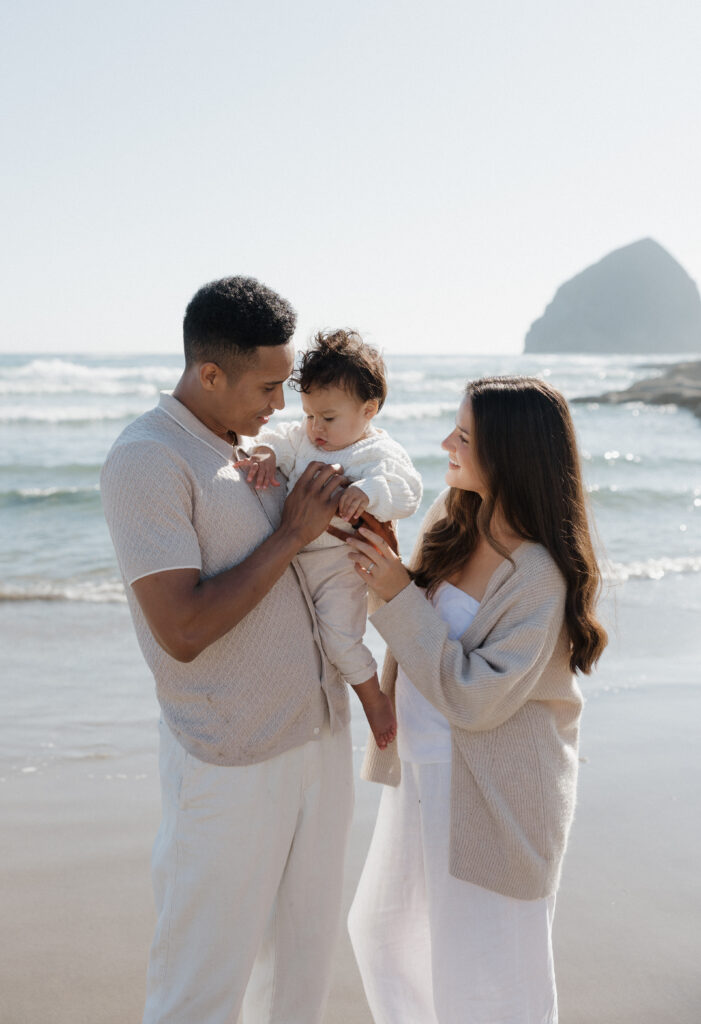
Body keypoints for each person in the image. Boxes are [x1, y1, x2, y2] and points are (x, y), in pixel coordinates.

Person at [100, 276, 355, 1024]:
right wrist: (290, 533)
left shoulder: (252, 447)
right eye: (268, 387)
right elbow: (179, 631)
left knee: (301, 976)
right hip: (230, 759)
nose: (280, 406)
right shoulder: (147, 460)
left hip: (318, 736)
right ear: (209, 373)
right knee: (201, 986)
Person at [345, 376, 608, 1024]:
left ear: (510, 453)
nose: (444, 443)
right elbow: (413, 620)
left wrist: (397, 591)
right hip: (423, 775)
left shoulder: (539, 575)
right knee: (383, 934)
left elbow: (476, 698)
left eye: (462, 436)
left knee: (485, 977)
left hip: (493, 793)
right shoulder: (453, 518)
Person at [234, 329, 422, 749]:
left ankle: (372, 699)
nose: (316, 428)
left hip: (340, 564)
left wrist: (368, 492)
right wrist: (266, 454)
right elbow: (278, 440)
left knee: (339, 638)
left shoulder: (376, 454)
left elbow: (407, 490)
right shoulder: (304, 435)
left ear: (368, 410)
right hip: (294, 558)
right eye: (309, 414)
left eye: (329, 418)